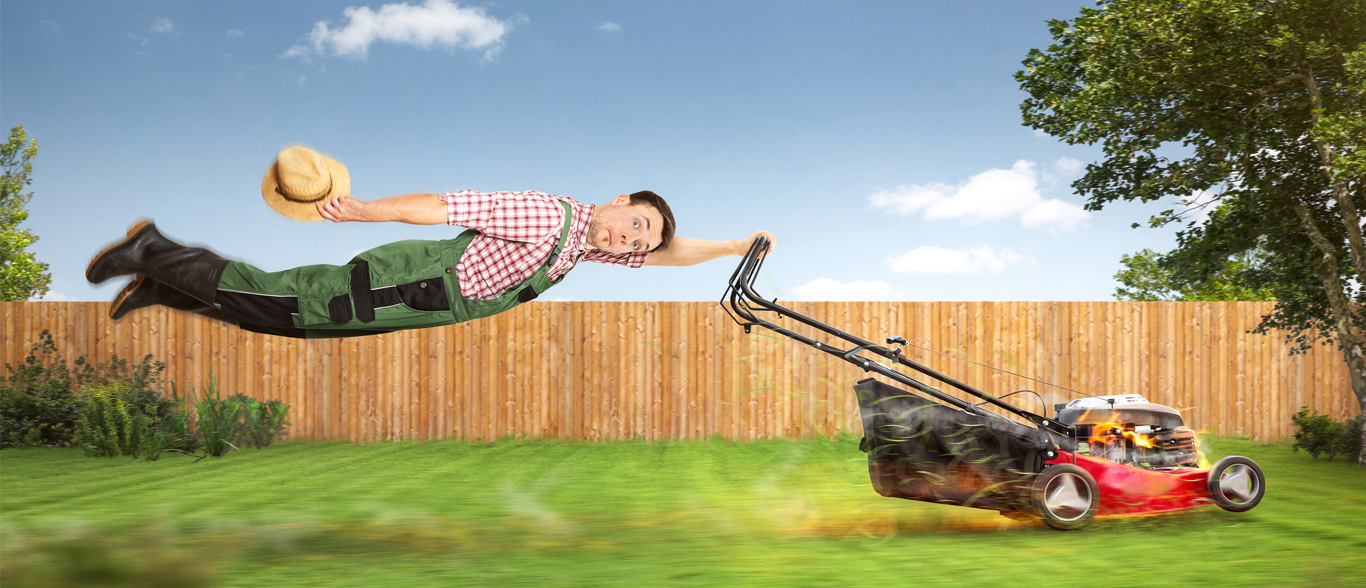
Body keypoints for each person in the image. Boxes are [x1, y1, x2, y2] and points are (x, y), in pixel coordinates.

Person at [86, 146, 772, 339]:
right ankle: (152, 250)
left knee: (287, 326)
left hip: (421, 300)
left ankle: (161, 287)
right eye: (636, 224)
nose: (632, 242)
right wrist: (362, 213)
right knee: (283, 300)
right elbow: (445, 206)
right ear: (619, 202)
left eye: (638, 240)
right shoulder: (547, 217)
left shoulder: (581, 245)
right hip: (408, 281)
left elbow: (668, 255)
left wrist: (735, 245)